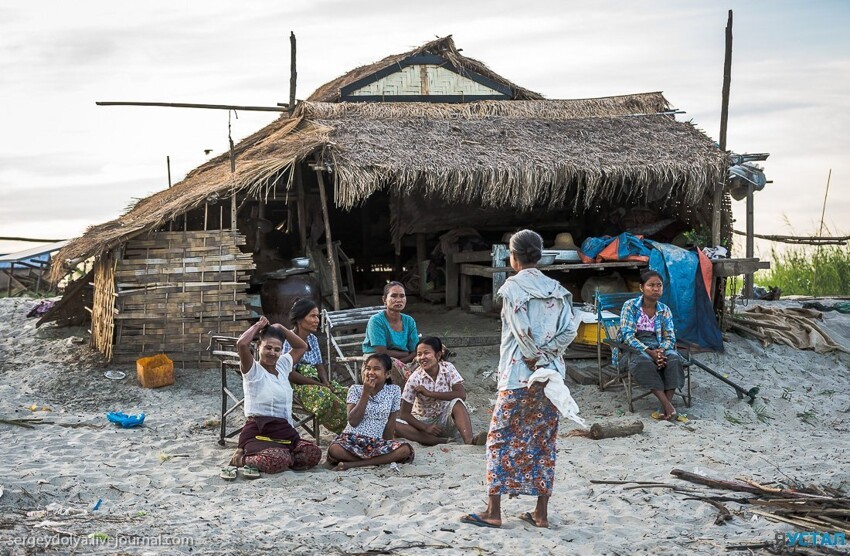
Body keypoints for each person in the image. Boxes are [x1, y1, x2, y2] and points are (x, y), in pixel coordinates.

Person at [462, 229, 578, 529]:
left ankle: (493, 511)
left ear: (513, 257)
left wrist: (535, 357)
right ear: (539, 255)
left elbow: (520, 330)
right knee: (543, 442)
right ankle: (540, 513)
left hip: (517, 376)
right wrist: (548, 357)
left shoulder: (512, 289)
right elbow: (570, 331)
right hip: (551, 378)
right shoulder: (558, 289)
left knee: (500, 440)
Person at [225, 316, 323, 478]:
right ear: (259, 346)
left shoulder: (283, 365)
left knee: (313, 453)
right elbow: (242, 344)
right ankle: (242, 459)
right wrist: (259, 325)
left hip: (284, 431)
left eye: (277, 349)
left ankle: (284, 457)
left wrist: (280, 327)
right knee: (278, 459)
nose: (272, 353)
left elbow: (301, 346)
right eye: (268, 348)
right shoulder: (253, 371)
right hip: (259, 431)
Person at [617, 270, 686, 421]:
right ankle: (668, 406)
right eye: (651, 285)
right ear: (641, 287)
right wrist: (650, 352)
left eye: (659, 285)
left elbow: (670, 337)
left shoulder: (664, 309)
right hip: (635, 348)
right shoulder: (630, 306)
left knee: (674, 358)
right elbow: (628, 336)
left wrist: (661, 351)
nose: (655, 289)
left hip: (659, 346)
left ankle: (664, 406)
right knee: (643, 361)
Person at [326, 353, 414, 471]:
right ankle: (374, 461)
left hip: (376, 442)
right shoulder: (355, 389)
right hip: (352, 440)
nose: (371, 372)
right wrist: (365, 393)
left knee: (405, 450)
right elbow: (353, 421)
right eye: (368, 368)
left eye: (376, 369)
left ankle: (353, 464)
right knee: (334, 449)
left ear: (387, 374)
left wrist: (387, 445)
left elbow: (391, 423)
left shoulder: (394, 391)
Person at [395, 337, 477, 445]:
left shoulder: (448, 368)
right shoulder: (414, 378)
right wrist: (425, 427)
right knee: (395, 424)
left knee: (457, 402)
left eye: (426, 353)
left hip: (445, 419)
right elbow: (404, 414)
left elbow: (461, 395)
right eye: (419, 354)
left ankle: (469, 440)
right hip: (422, 423)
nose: (422, 357)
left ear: (438, 355)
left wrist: (430, 393)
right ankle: (439, 441)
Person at [283, 298, 348, 433]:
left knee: (346, 392)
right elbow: (289, 373)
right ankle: (346, 429)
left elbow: (319, 364)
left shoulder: (313, 339)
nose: (317, 320)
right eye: (312, 316)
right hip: (296, 387)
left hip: (316, 383)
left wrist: (325, 382)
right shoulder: (288, 339)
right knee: (325, 396)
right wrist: (318, 385)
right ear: (300, 319)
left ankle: (357, 426)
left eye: (317, 316)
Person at [362, 281, 420, 387]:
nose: (398, 300)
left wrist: (402, 361)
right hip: (378, 361)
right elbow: (381, 352)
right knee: (388, 364)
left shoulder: (409, 321)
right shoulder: (376, 321)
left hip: (403, 362)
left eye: (402, 296)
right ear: (384, 300)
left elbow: (416, 350)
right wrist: (406, 354)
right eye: (393, 296)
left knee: (430, 357)